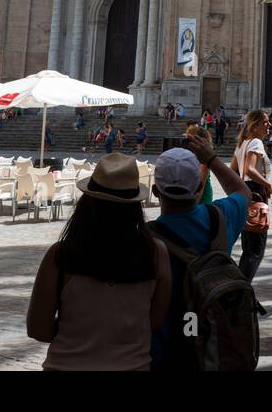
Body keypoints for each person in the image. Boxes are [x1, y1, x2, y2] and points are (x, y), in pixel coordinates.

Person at [26, 155, 170, 371]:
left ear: (87, 204)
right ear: (134, 208)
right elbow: (153, 321)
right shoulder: (155, 254)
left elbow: (38, 328)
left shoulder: (61, 256)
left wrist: (78, 333)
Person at [149, 137, 252, 371]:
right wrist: (212, 159)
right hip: (213, 344)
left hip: (165, 352)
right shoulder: (221, 217)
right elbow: (243, 191)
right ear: (199, 188)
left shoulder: (146, 239)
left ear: (155, 191)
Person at [231, 109, 272, 282]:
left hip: (245, 194)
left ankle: (239, 287)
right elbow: (250, 169)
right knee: (256, 250)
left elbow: (233, 171)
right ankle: (241, 291)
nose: (269, 125)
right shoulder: (256, 142)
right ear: (255, 126)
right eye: (265, 122)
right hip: (256, 193)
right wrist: (268, 184)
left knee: (248, 248)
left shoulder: (242, 143)